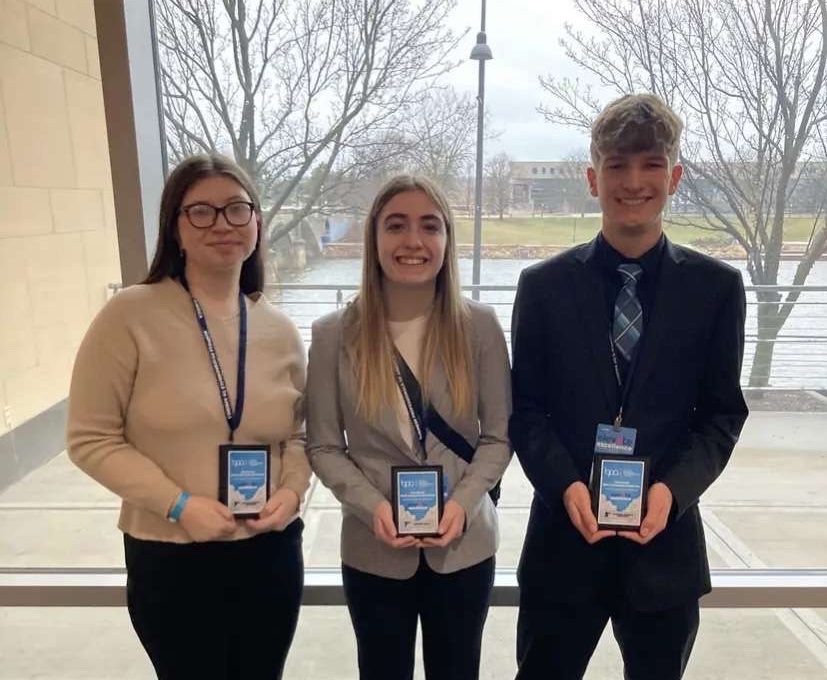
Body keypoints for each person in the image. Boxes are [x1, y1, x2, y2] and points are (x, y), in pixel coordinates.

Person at [511, 94, 748, 679]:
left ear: (676, 176)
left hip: (664, 550)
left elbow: (721, 416)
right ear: (593, 178)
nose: (634, 181)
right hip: (563, 547)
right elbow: (525, 412)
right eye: (617, 166)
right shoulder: (542, 287)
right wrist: (565, 484)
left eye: (650, 164)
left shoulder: (717, 289)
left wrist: (672, 492)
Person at [67, 154, 310, 679]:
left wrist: (291, 494)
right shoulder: (130, 315)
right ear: (175, 229)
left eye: (237, 210)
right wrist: (178, 505)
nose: (222, 224)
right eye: (201, 211)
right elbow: (91, 439)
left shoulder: (280, 330)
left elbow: (298, 436)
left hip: (269, 552)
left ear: (257, 224)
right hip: (170, 555)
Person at [306, 175, 511, 680]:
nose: (413, 241)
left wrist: (461, 505)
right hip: (374, 546)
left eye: (430, 226)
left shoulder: (480, 327)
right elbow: (325, 446)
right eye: (396, 226)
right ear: (374, 239)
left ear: (447, 240)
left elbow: (498, 437)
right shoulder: (333, 334)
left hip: (462, 545)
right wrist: (372, 506)